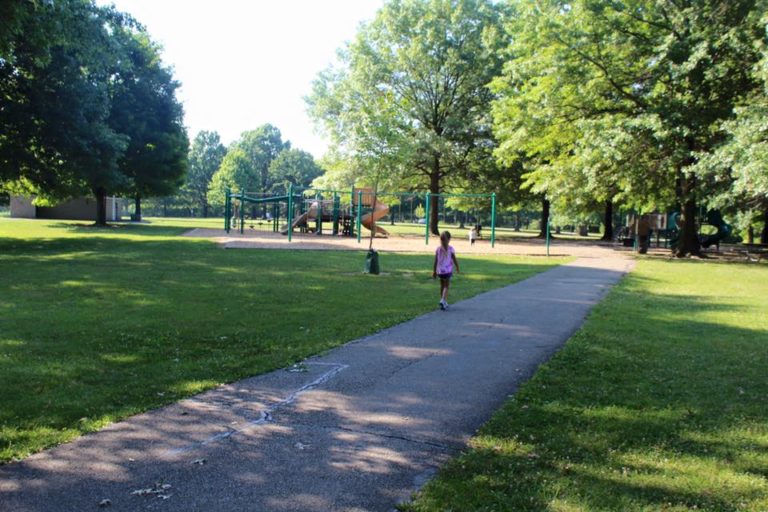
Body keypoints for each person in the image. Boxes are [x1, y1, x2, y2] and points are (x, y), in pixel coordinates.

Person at [433, 231, 460, 310]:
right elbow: (454, 259)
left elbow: (435, 261)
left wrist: (434, 271)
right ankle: (442, 300)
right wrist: (457, 267)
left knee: (442, 286)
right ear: (449, 239)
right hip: (447, 271)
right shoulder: (451, 249)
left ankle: (444, 302)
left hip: (440, 271)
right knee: (446, 287)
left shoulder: (438, 249)